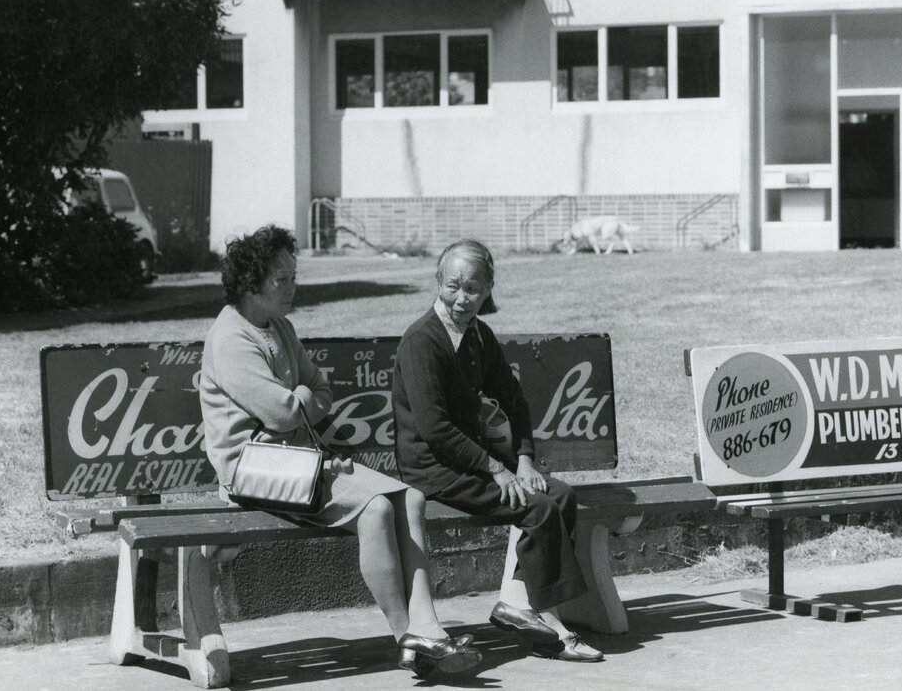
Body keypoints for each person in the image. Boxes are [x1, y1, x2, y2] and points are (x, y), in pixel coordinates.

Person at [199, 225, 481, 677]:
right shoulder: (232, 337)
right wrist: (304, 404)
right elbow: (283, 412)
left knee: (410, 497)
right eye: (283, 279)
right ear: (252, 283)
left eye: (294, 276)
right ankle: (406, 636)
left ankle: (428, 625)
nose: (294, 288)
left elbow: (319, 390)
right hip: (255, 473)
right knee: (375, 510)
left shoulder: (280, 327)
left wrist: (304, 406)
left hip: (300, 463)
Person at [392, 238, 603, 662]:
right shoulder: (422, 342)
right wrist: (496, 468)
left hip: (470, 461)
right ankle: (552, 627)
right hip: (432, 469)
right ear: (437, 281)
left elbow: (514, 399)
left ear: (488, 290)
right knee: (538, 508)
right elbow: (434, 430)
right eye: (452, 286)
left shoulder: (478, 336)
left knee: (560, 494)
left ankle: (518, 601)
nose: (461, 298)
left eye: (473, 289)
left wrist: (523, 460)